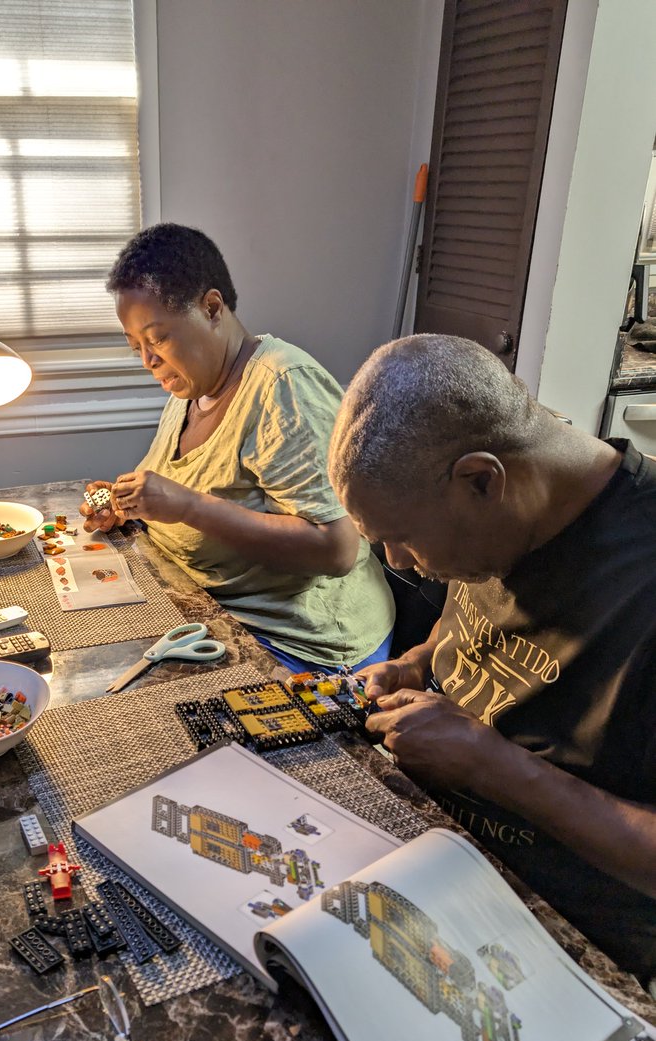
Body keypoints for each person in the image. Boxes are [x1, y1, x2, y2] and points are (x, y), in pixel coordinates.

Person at [328, 333, 656, 990]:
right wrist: (416, 663)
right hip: (429, 843)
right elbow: (469, 626)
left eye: (401, 537)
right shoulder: (511, 508)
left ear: (482, 479)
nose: (396, 562)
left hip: (562, 937)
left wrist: (493, 766)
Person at [81, 222, 395, 674]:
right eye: (137, 347)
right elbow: (183, 485)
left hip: (298, 642)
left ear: (211, 308)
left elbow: (337, 549)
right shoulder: (193, 388)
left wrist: (188, 506)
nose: (148, 361)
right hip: (207, 609)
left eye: (158, 338)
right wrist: (127, 505)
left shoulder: (282, 387)